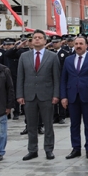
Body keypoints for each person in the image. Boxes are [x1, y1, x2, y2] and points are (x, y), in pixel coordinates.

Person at [17, 30, 61, 161]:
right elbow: (20, 77)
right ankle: (32, 150)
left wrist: (56, 95)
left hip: (46, 95)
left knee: (48, 124)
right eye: (34, 37)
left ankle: (48, 149)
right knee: (31, 124)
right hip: (29, 95)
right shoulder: (24, 56)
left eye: (40, 38)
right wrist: (20, 95)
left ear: (45, 41)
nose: (37, 40)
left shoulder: (52, 56)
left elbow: (56, 78)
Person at [60, 36, 88, 159]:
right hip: (72, 96)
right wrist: (63, 96)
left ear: (86, 46)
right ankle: (76, 148)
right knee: (74, 124)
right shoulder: (68, 60)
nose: (78, 46)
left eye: (81, 44)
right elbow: (63, 79)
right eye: (76, 44)